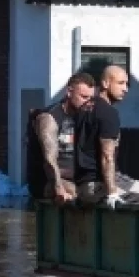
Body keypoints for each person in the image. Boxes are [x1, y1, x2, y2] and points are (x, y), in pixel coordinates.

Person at [75, 64, 139, 209]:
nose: (125, 89)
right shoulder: (108, 113)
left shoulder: (84, 109)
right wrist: (112, 193)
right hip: (100, 184)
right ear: (105, 83)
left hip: (84, 183)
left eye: (127, 84)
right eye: (120, 83)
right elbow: (107, 155)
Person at [31, 71, 96, 203]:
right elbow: (50, 159)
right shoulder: (49, 118)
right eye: (83, 97)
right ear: (69, 92)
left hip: (77, 178)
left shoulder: (85, 116)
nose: (88, 102)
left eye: (90, 98)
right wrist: (58, 187)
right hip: (50, 180)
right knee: (80, 193)